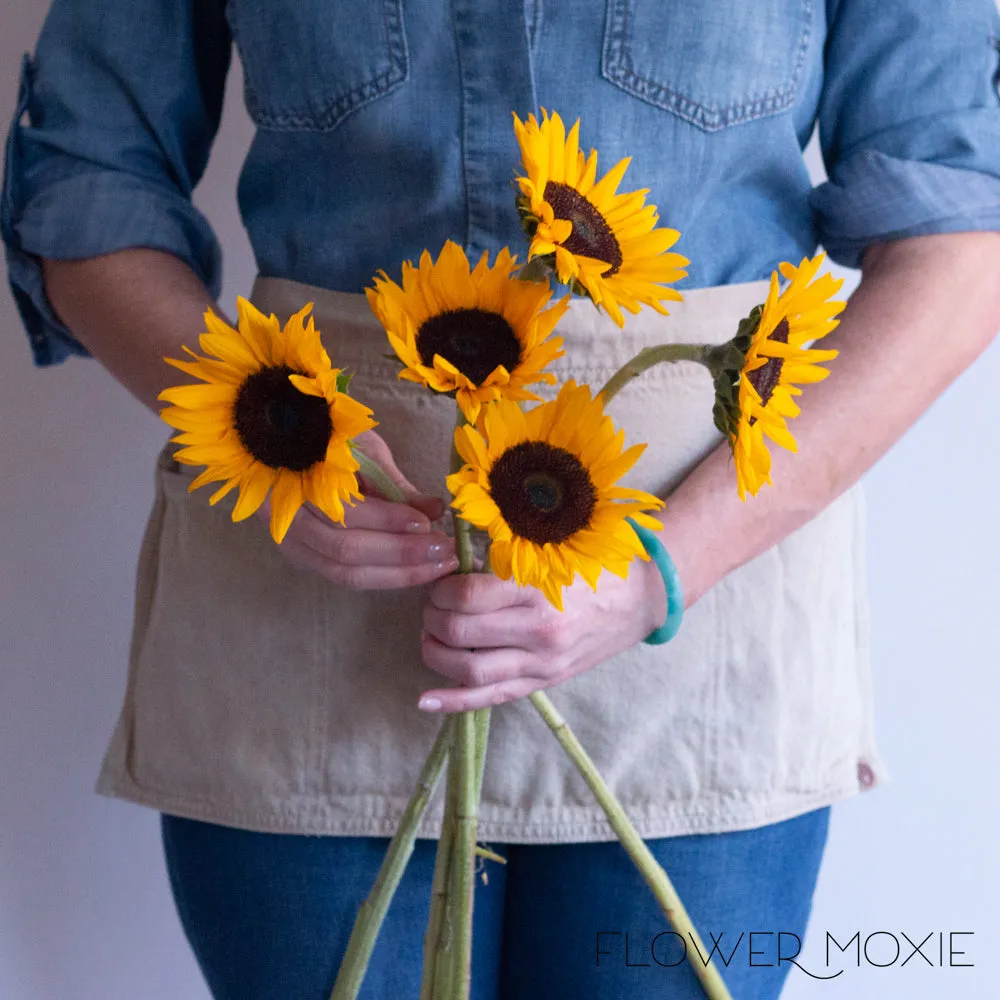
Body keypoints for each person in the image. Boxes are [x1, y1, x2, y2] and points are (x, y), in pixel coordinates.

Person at [4, 1, 1000, 997]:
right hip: (304, 614)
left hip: (706, 622)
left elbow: (961, 243)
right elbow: (85, 182)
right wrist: (256, 430)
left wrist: (666, 569)